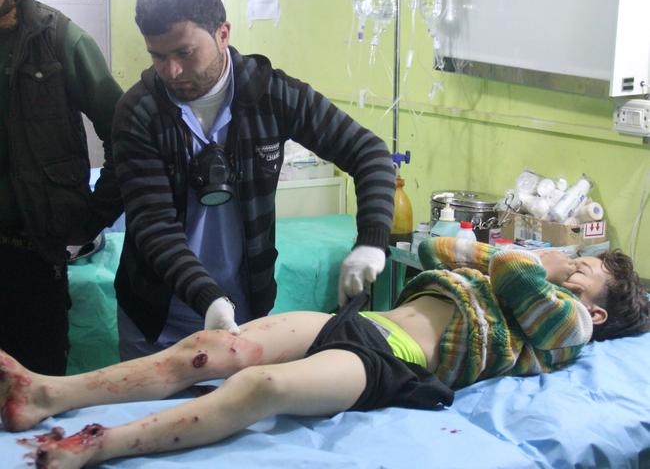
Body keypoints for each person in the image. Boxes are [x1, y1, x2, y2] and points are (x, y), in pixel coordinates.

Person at [2, 238, 649, 468]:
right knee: (210, 349)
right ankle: (48, 393)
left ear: (596, 308)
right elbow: (438, 250)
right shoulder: (528, 281)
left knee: (262, 389)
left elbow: (509, 267)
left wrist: (543, 259)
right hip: (361, 321)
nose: (574, 268)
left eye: (587, 270)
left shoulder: (571, 326)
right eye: (578, 263)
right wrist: (520, 257)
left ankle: (95, 446)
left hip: (390, 362)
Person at [111, 0, 396, 361]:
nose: (172, 71)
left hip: (243, 313)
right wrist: (209, 299)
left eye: (184, 52)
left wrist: (371, 240)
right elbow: (154, 226)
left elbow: (369, 151)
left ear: (223, 33)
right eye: (157, 56)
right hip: (157, 318)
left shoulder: (270, 95)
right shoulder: (140, 112)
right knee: (147, 416)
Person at [0, 0, 124, 375]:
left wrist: (90, 218)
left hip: (32, 260)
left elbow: (127, 138)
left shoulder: (58, 39)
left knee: (35, 394)